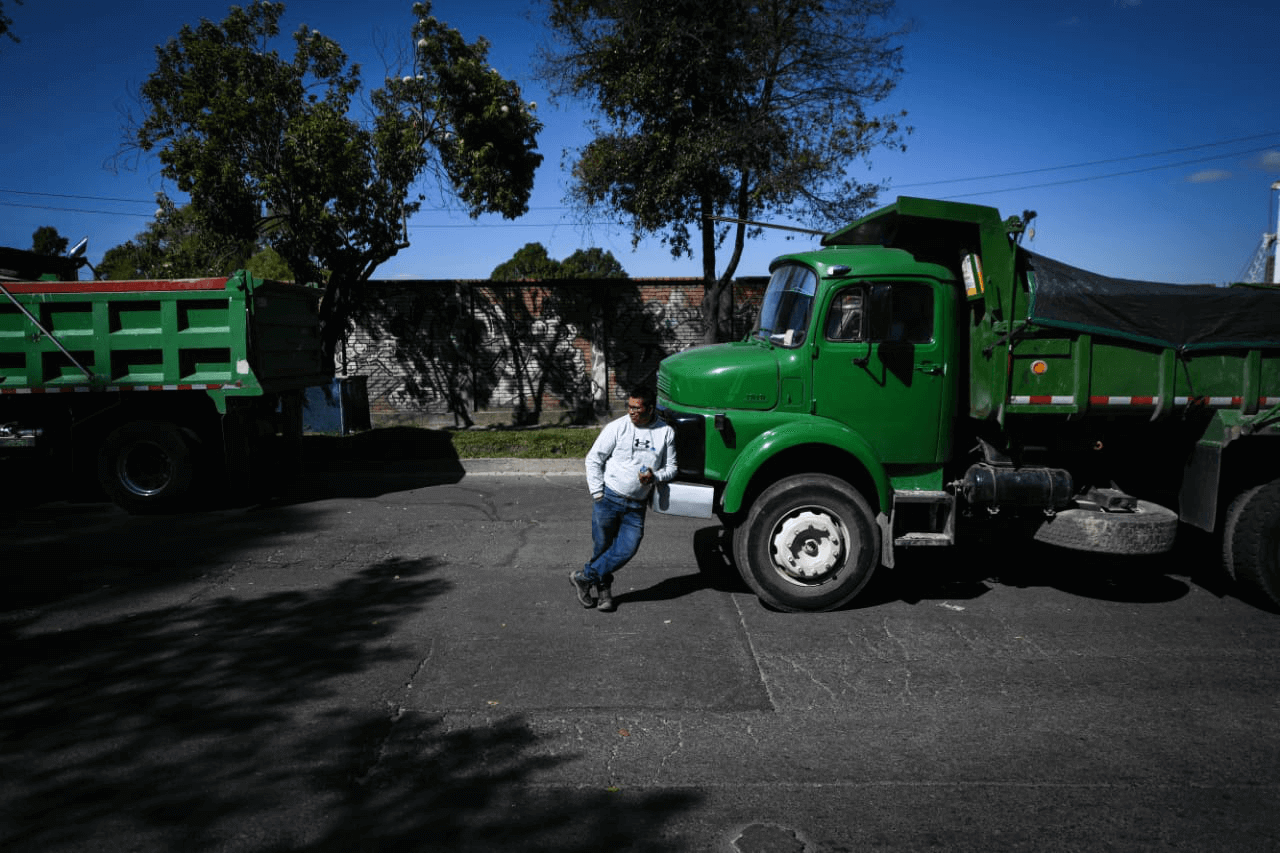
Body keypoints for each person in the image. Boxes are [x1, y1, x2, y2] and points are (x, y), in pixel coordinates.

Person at [572, 386, 677, 612]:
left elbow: (672, 468)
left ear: (650, 408)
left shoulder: (665, 432)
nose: (631, 412)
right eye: (629, 407)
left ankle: (583, 577)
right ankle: (605, 596)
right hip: (608, 499)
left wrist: (655, 476)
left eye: (637, 409)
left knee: (627, 549)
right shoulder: (617, 428)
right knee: (603, 549)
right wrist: (597, 493)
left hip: (636, 506)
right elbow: (593, 459)